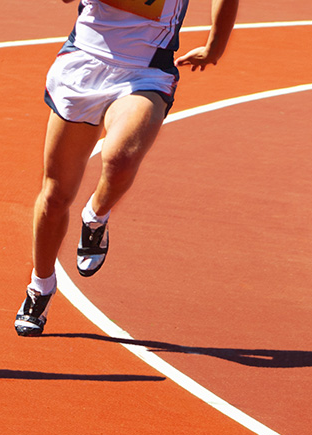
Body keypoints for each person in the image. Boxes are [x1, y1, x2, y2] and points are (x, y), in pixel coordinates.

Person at [14, 0, 239, 336]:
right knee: (56, 195)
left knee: (121, 159)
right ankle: (40, 285)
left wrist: (214, 47)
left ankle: (96, 215)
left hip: (144, 71)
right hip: (83, 65)